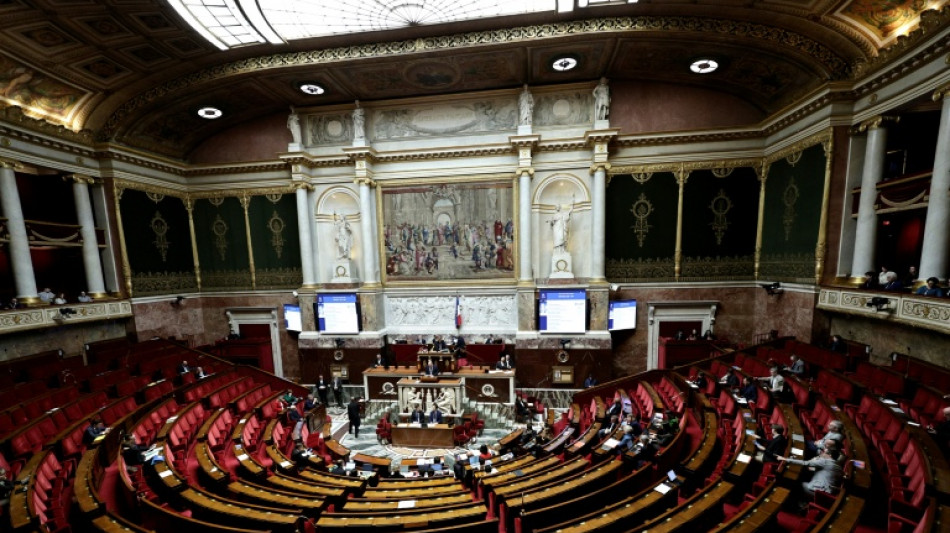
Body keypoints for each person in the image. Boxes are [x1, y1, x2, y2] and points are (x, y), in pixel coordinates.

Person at [779, 448, 844, 500]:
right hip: (828, 491)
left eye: (824, 453)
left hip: (819, 491)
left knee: (792, 483)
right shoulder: (838, 466)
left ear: (830, 455)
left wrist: (785, 459)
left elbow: (806, 463)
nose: (822, 454)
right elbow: (814, 469)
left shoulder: (825, 461)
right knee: (803, 475)